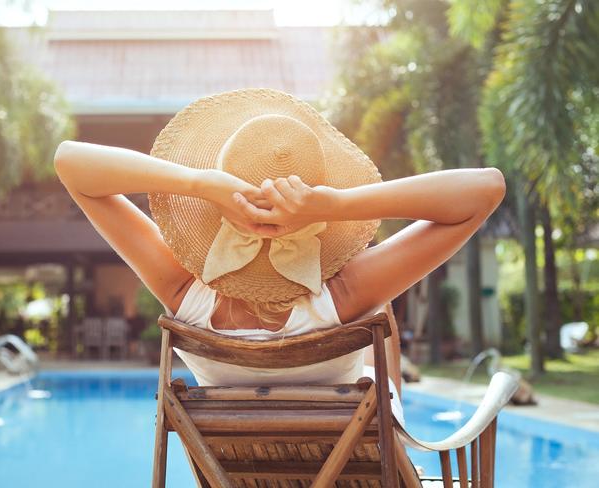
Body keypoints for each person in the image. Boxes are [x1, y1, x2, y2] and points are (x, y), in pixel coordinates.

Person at [54, 88, 505, 425]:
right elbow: (486, 189)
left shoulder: (183, 293)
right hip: (354, 461)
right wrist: (336, 205)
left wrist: (201, 184)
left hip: (234, 469)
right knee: (379, 321)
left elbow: (70, 161)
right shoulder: (345, 296)